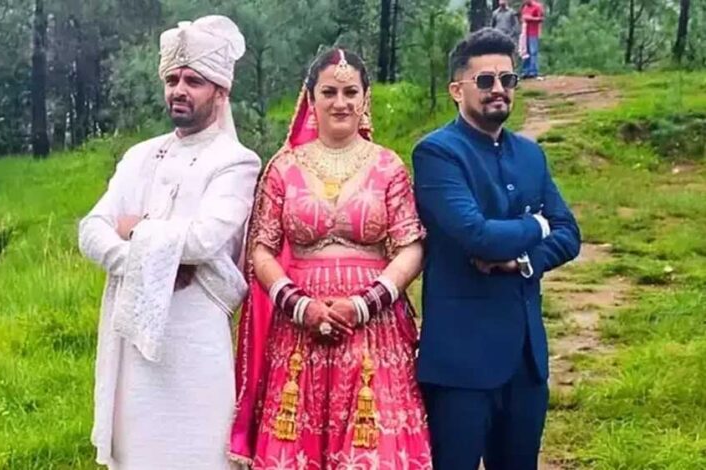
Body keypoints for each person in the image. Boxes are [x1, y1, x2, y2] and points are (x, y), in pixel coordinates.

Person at [229, 48, 432, 469]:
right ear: (311, 98)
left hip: (373, 328)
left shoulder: (388, 166)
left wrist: (365, 303)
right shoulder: (283, 168)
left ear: (365, 98)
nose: (340, 102)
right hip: (299, 328)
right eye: (329, 92)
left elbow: (411, 247)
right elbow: (262, 249)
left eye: (350, 92)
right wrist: (298, 305)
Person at [78, 16, 261, 469]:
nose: (179, 90)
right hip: (130, 331)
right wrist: (146, 259)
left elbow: (203, 240)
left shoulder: (236, 161)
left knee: (199, 449)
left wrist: (134, 227)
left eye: (193, 81)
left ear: (220, 91)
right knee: (139, 451)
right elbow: (91, 230)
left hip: (195, 329)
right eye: (172, 80)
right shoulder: (139, 155)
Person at [412, 28, 581, 470]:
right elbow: (476, 234)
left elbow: (569, 234)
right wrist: (537, 224)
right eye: (485, 81)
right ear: (457, 90)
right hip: (461, 363)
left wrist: (525, 260)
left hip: (526, 359)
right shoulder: (437, 153)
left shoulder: (530, 155)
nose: (499, 90)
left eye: (508, 80)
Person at [520, 0, 545, 78]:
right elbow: (522, 19)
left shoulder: (537, 6)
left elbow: (541, 19)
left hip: (533, 33)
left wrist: (531, 18)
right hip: (525, 33)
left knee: (533, 52)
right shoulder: (525, 8)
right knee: (525, 52)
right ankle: (525, 71)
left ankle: (533, 71)